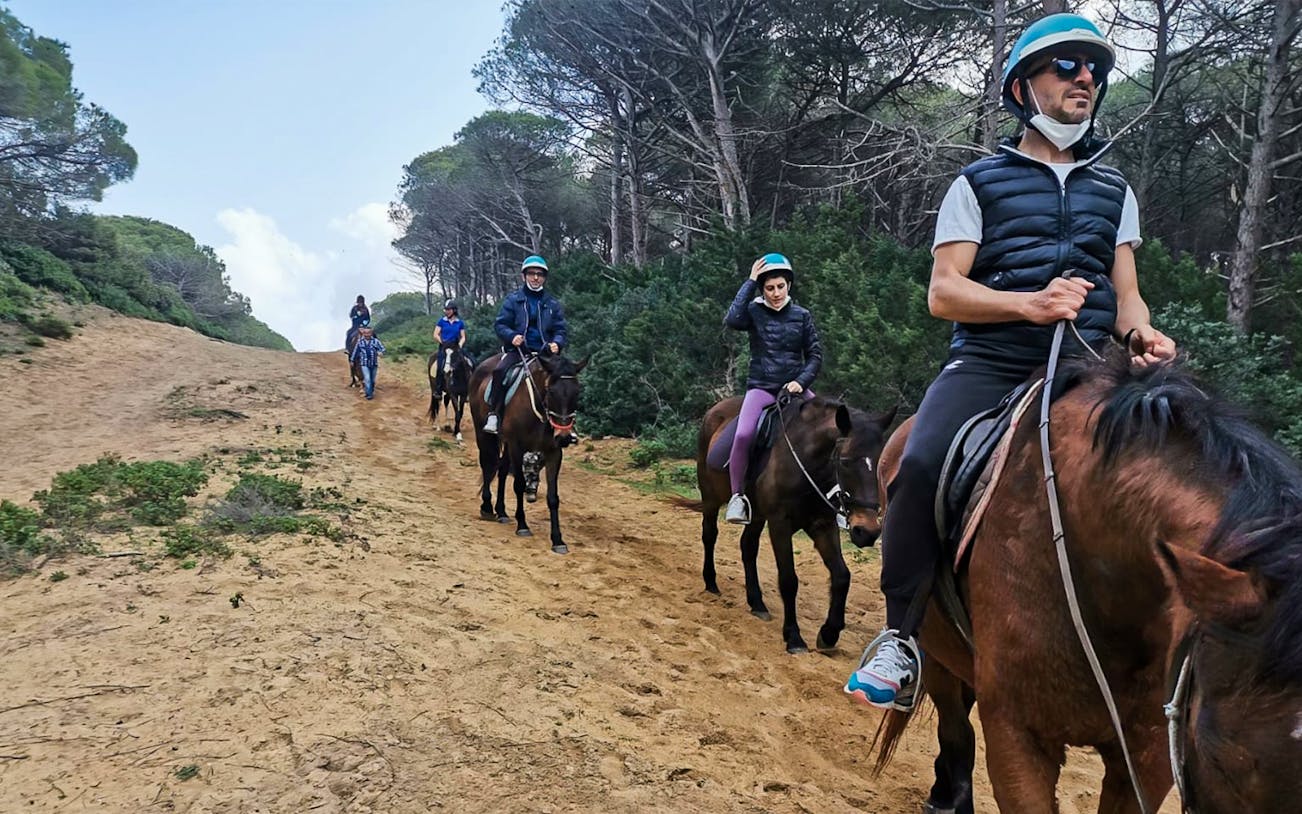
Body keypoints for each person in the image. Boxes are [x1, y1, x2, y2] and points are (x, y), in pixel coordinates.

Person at [844, 13, 1177, 712]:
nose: (1086, 78)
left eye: (1094, 69)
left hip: (1091, 370)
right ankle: (900, 641)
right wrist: (1031, 304)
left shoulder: (1115, 190)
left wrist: (1144, 334)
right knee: (920, 465)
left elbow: (1128, 299)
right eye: (1068, 66)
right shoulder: (978, 183)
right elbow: (944, 292)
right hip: (991, 365)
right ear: (1025, 87)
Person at [722, 253, 822, 525]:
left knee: (829, 430)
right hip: (762, 388)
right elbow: (732, 319)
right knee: (743, 435)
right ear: (762, 289)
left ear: (789, 285)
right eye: (769, 288)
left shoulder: (802, 316)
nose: (776, 293)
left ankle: (832, 500)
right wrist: (750, 281)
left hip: (795, 389)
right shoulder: (752, 312)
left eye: (780, 286)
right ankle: (737, 498)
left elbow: (814, 356)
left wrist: (801, 381)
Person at [483, 256, 569, 434]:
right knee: (499, 372)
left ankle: (567, 424)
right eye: (531, 274)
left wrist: (557, 343)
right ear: (524, 276)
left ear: (544, 277)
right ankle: (494, 414)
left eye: (540, 274)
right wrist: (512, 336)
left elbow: (560, 329)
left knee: (566, 380)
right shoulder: (513, 300)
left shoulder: (552, 303)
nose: (536, 278)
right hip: (517, 351)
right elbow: (500, 324)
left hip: (545, 354)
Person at [432, 299, 467, 397]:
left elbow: (463, 336)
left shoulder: (459, 323)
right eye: (446, 309)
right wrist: (442, 342)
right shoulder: (442, 321)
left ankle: (468, 387)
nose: (447, 311)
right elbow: (435, 334)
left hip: (456, 347)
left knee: (469, 362)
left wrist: (460, 344)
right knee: (440, 366)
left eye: (449, 309)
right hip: (444, 347)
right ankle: (438, 390)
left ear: (454, 310)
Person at [348, 325, 386, 400]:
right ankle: (369, 394)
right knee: (349, 334)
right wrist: (352, 360)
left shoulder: (376, 341)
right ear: (363, 334)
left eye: (368, 333)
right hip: (364, 363)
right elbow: (356, 351)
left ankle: (370, 390)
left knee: (372, 380)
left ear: (371, 334)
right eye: (365, 333)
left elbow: (382, 349)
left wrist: (381, 352)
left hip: (373, 363)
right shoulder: (360, 342)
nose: (366, 335)